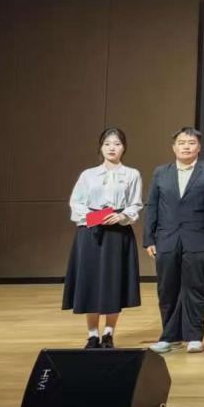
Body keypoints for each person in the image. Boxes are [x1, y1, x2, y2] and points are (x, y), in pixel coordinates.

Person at [143, 126, 204, 354]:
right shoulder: (161, 172)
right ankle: (170, 336)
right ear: (174, 147)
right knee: (166, 288)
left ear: (199, 147)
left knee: (196, 288)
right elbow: (152, 206)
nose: (186, 147)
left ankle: (195, 336)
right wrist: (149, 238)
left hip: (199, 239)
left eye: (191, 143)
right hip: (166, 239)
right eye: (181, 142)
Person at [64, 127, 143, 347]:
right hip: (90, 233)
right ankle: (92, 334)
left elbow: (136, 204)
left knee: (113, 281)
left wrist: (122, 216)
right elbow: (76, 203)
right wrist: (96, 217)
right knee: (90, 281)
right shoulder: (88, 175)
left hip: (118, 233)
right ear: (100, 147)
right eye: (107, 144)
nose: (112, 148)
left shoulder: (132, 174)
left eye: (117, 144)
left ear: (124, 148)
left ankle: (109, 333)